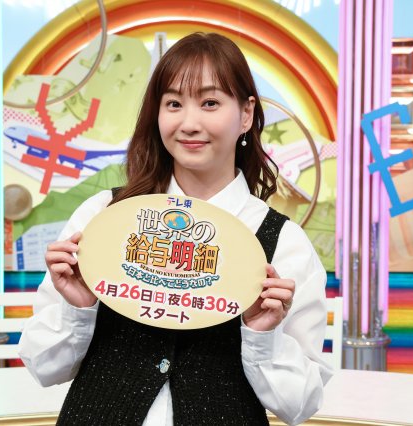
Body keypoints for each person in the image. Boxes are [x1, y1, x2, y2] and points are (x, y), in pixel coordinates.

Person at [19, 32, 332, 426]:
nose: (189, 123)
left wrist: (261, 336)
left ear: (246, 114)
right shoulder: (103, 215)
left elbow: (300, 405)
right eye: (173, 104)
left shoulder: (283, 242)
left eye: (210, 102)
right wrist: (79, 309)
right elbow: (43, 367)